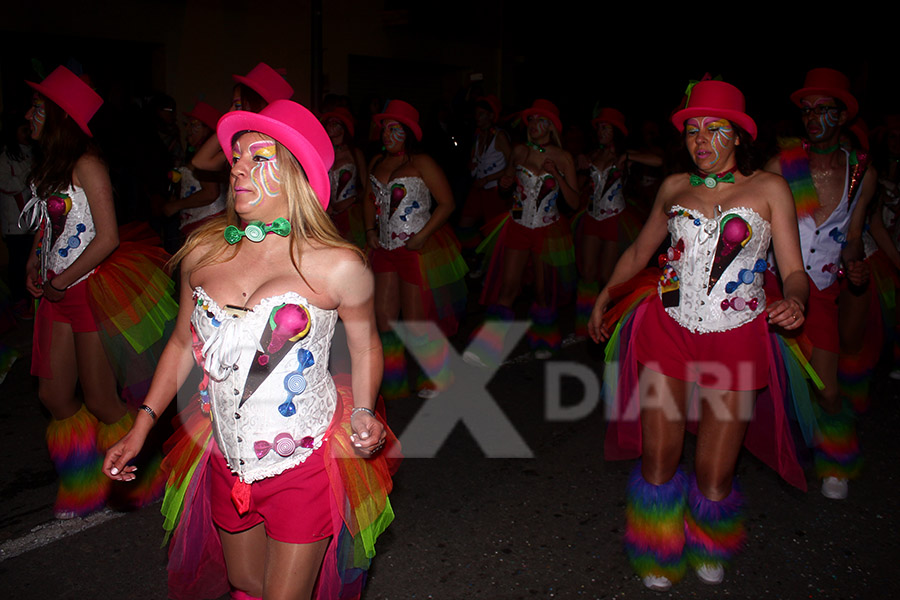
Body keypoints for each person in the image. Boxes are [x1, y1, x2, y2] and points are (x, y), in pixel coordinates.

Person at [103, 100, 397, 600]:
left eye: (257, 157)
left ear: (296, 175)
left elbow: (366, 345)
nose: (237, 166)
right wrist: (142, 425)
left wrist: (365, 410)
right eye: (236, 156)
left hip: (304, 460)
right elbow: (180, 343)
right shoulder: (203, 251)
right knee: (245, 582)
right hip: (225, 455)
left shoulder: (338, 265)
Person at [588, 80, 810, 591]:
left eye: (714, 129)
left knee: (714, 471)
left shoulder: (769, 189)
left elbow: (794, 270)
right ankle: (657, 546)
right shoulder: (672, 187)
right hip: (667, 329)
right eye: (692, 130)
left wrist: (796, 300)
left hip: (735, 338)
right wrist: (605, 295)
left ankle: (709, 539)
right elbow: (638, 252)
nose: (701, 139)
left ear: (738, 136)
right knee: (658, 458)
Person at [22, 66, 176, 518]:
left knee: (102, 399)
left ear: (60, 117)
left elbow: (106, 237)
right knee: (53, 396)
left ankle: (139, 474)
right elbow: (53, 223)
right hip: (56, 292)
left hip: (89, 289)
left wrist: (62, 280)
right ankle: (83, 480)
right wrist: (36, 259)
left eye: (38, 108)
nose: (29, 115)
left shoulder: (88, 163)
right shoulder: (50, 165)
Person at [764, 67, 876, 500]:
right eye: (806, 110)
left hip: (823, 295)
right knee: (755, 381)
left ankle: (836, 458)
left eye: (823, 109)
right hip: (774, 288)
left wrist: (857, 268)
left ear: (843, 115)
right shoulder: (781, 166)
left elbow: (850, 242)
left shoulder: (861, 175)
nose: (812, 118)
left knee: (827, 390)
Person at [362, 99, 467, 399]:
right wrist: (370, 230)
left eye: (394, 129)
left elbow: (447, 203)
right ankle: (393, 379)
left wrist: (422, 235)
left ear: (407, 133)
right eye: (384, 128)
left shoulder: (422, 164)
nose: (386, 134)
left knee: (416, 321)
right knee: (384, 317)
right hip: (383, 249)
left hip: (416, 248)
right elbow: (368, 201)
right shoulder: (376, 164)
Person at [466, 99, 579, 365]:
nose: (534, 125)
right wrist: (504, 185)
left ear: (551, 127)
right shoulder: (518, 151)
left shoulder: (563, 157)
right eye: (531, 120)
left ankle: (544, 339)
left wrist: (558, 175)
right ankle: (486, 349)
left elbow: (574, 202)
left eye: (541, 120)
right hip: (517, 225)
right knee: (508, 288)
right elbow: (506, 186)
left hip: (547, 229)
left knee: (542, 291)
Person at [573, 108, 663, 338]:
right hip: (592, 217)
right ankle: (586, 323)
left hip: (615, 218)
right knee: (588, 275)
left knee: (607, 276)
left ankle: (610, 323)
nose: (601, 131)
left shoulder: (624, 155)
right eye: (599, 127)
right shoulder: (592, 155)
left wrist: (629, 157)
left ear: (616, 132)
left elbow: (660, 160)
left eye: (606, 127)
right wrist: (579, 165)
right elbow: (580, 185)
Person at [190, 62, 294, 172]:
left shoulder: (281, 145)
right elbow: (200, 162)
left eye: (238, 105)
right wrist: (227, 125)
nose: (230, 111)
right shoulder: (242, 144)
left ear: (257, 106)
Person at [457, 95, 511, 270]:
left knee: (493, 233)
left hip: (494, 191)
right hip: (478, 190)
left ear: (491, 115)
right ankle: (480, 256)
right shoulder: (478, 137)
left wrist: (488, 178)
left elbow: (513, 165)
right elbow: (475, 162)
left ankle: (491, 266)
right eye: (476, 114)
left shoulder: (500, 136)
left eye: (481, 114)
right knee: (464, 226)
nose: (477, 118)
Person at [161, 100, 227, 243]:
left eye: (194, 124)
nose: (188, 129)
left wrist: (176, 205)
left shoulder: (209, 159)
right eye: (188, 124)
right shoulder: (196, 153)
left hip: (208, 224)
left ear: (207, 128)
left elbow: (211, 193)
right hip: (199, 224)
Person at [321, 106, 367, 249]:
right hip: (327, 215)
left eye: (335, 123)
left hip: (351, 214)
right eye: (328, 122)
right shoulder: (323, 153)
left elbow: (367, 188)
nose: (330, 126)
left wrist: (351, 200)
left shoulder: (354, 153)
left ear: (343, 128)